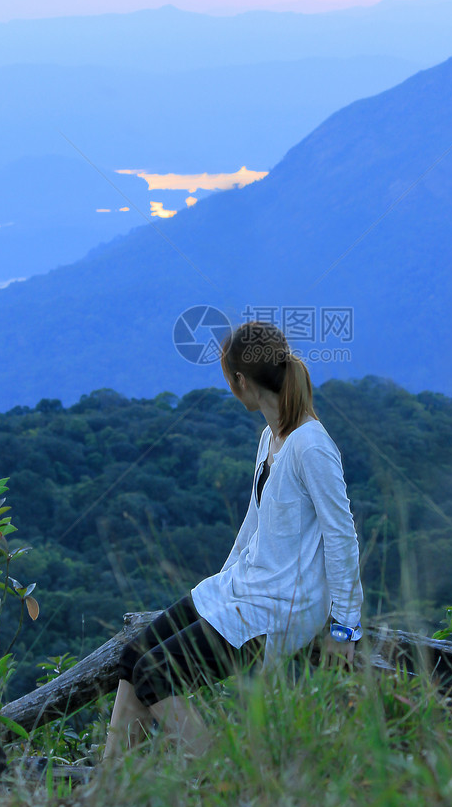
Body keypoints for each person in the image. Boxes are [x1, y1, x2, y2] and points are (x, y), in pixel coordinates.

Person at [103, 320, 363, 759]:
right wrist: (218, 591)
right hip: (248, 588)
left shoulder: (310, 446)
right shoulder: (271, 437)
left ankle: (221, 780)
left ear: (242, 381)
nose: (229, 388)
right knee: (133, 658)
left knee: (154, 675)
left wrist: (344, 627)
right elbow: (254, 523)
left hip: (281, 603)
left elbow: (342, 536)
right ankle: (105, 798)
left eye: (228, 380)